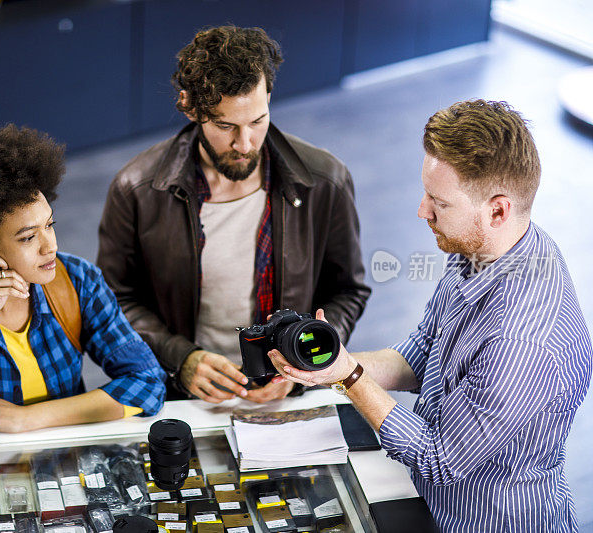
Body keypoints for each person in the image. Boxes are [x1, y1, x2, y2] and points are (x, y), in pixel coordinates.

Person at [269, 100, 592, 531]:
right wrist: (336, 363)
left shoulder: (521, 343)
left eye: (439, 202)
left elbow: (438, 460)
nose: (422, 211)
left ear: (498, 210)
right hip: (431, 504)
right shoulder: (486, 248)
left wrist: (351, 378)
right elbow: (425, 351)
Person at [97, 26, 370, 403]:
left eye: (257, 121)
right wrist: (182, 359)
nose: (245, 144)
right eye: (226, 126)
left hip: (290, 392)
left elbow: (347, 291)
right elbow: (114, 300)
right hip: (186, 393)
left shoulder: (325, 180)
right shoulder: (138, 189)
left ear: (269, 97)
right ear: (190, 106)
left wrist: (305, 363)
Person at [0, 125, 166, 458]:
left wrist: (26, 419)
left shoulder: (77, 280)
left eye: (49, 225)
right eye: (28, 237)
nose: (51, 246)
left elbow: (147, 382)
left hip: (71, 463)